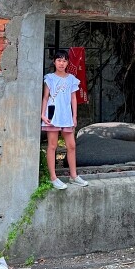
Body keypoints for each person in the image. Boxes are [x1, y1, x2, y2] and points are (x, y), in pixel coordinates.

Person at [41, 49, 88, 189]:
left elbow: (74, 98)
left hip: (66, 115)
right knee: (53, 145)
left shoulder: (72, 79)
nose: (61, 63)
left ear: (68, 62)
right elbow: (45, 97)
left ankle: (73, 176)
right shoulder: (49, 78)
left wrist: (74, 116)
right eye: (59, 60)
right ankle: (53, 177)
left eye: (64, 60)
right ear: (54, 62)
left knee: (71, 145)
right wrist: (42, 114)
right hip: (52, 114)